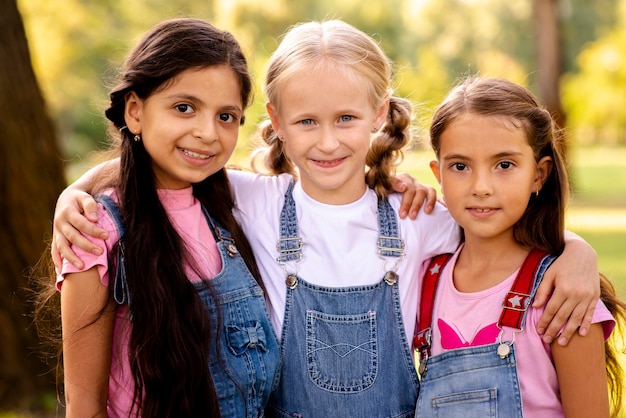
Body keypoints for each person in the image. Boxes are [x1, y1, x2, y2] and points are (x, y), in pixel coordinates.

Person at [51, 20, 601, 417]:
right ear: (276, 121)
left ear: (379, 114)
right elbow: (159, 171)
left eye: (346, 118)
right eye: (307, 121)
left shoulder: (418, 218)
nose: (329, 141)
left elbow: (498, 220)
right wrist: (73, 193)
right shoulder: (253, 201)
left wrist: (576, 252)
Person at [38, 18, 284, 417]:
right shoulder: (95, 230)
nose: (208, 132)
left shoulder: (234, 204)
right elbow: (84, 408)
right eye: (184, 108)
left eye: (226, 116)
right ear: (135, 111)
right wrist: (74, 194)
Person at [414, 76, 625, 417]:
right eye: (460, 166)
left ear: (539, 175)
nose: (481, 186)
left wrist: (576, 250)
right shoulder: (425, 277)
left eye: (505, 165)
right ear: (438, 175)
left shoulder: (563, 295)